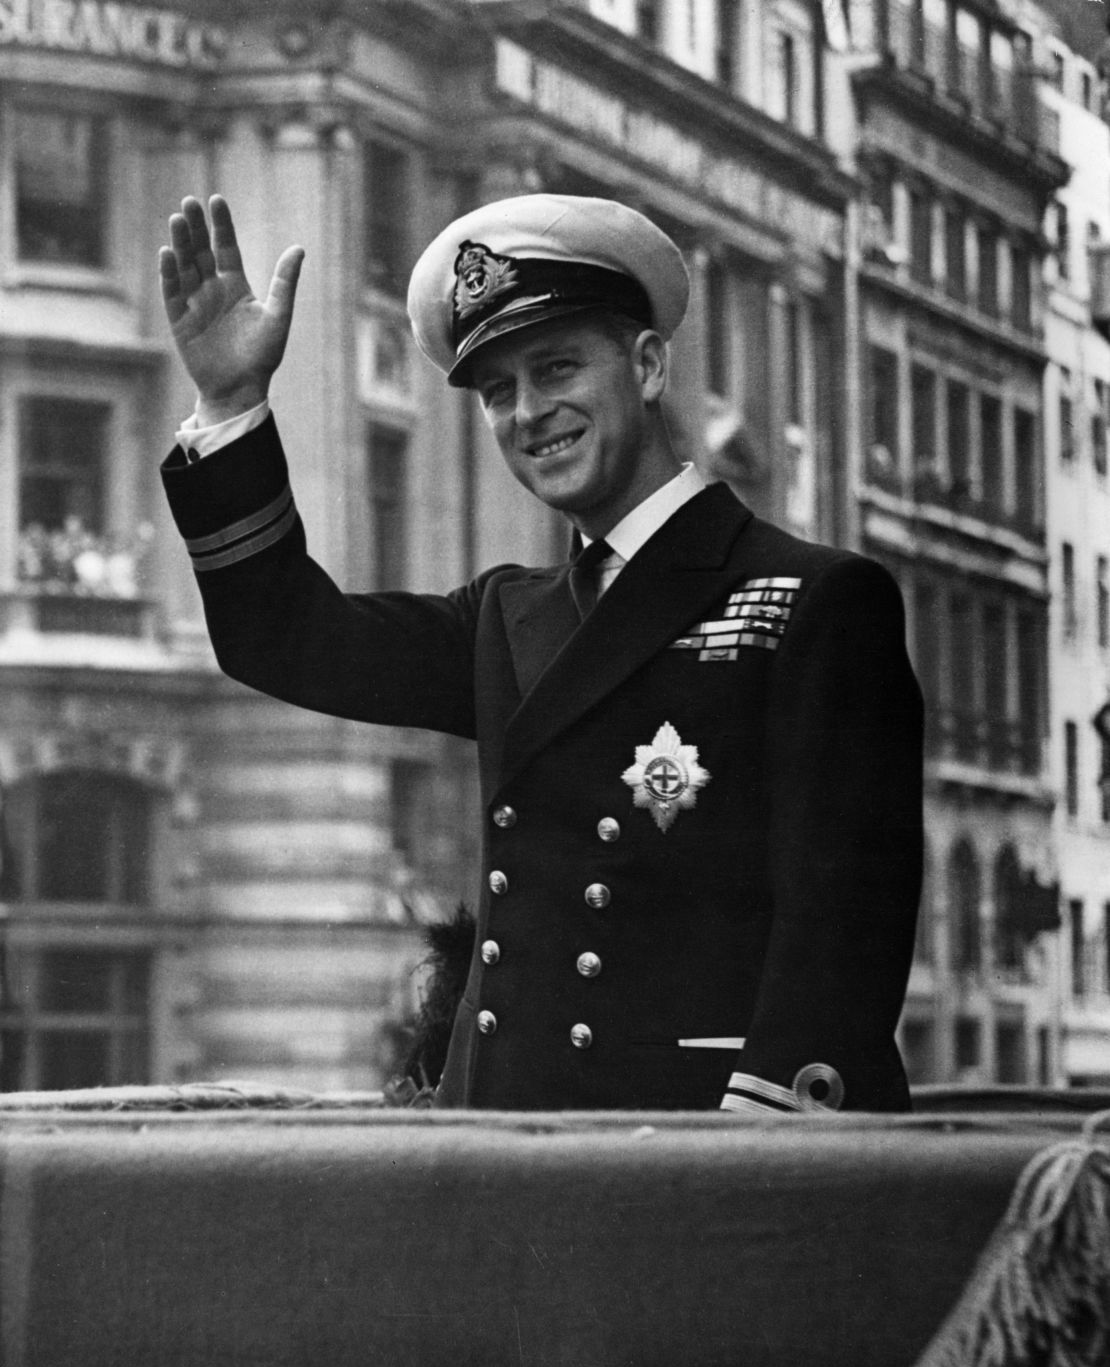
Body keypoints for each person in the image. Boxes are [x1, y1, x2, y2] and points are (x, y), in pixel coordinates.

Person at [158, 192, 923, 1115]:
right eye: (498, 391)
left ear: (645, 366)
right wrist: (232, 405)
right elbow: (285, 640)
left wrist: (758, 1156)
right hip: (506, 1152)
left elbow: (842, 923)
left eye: (557, 367)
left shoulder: (812, 598)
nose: (529, 412)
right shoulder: (507, 618)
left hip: (690, 1158)